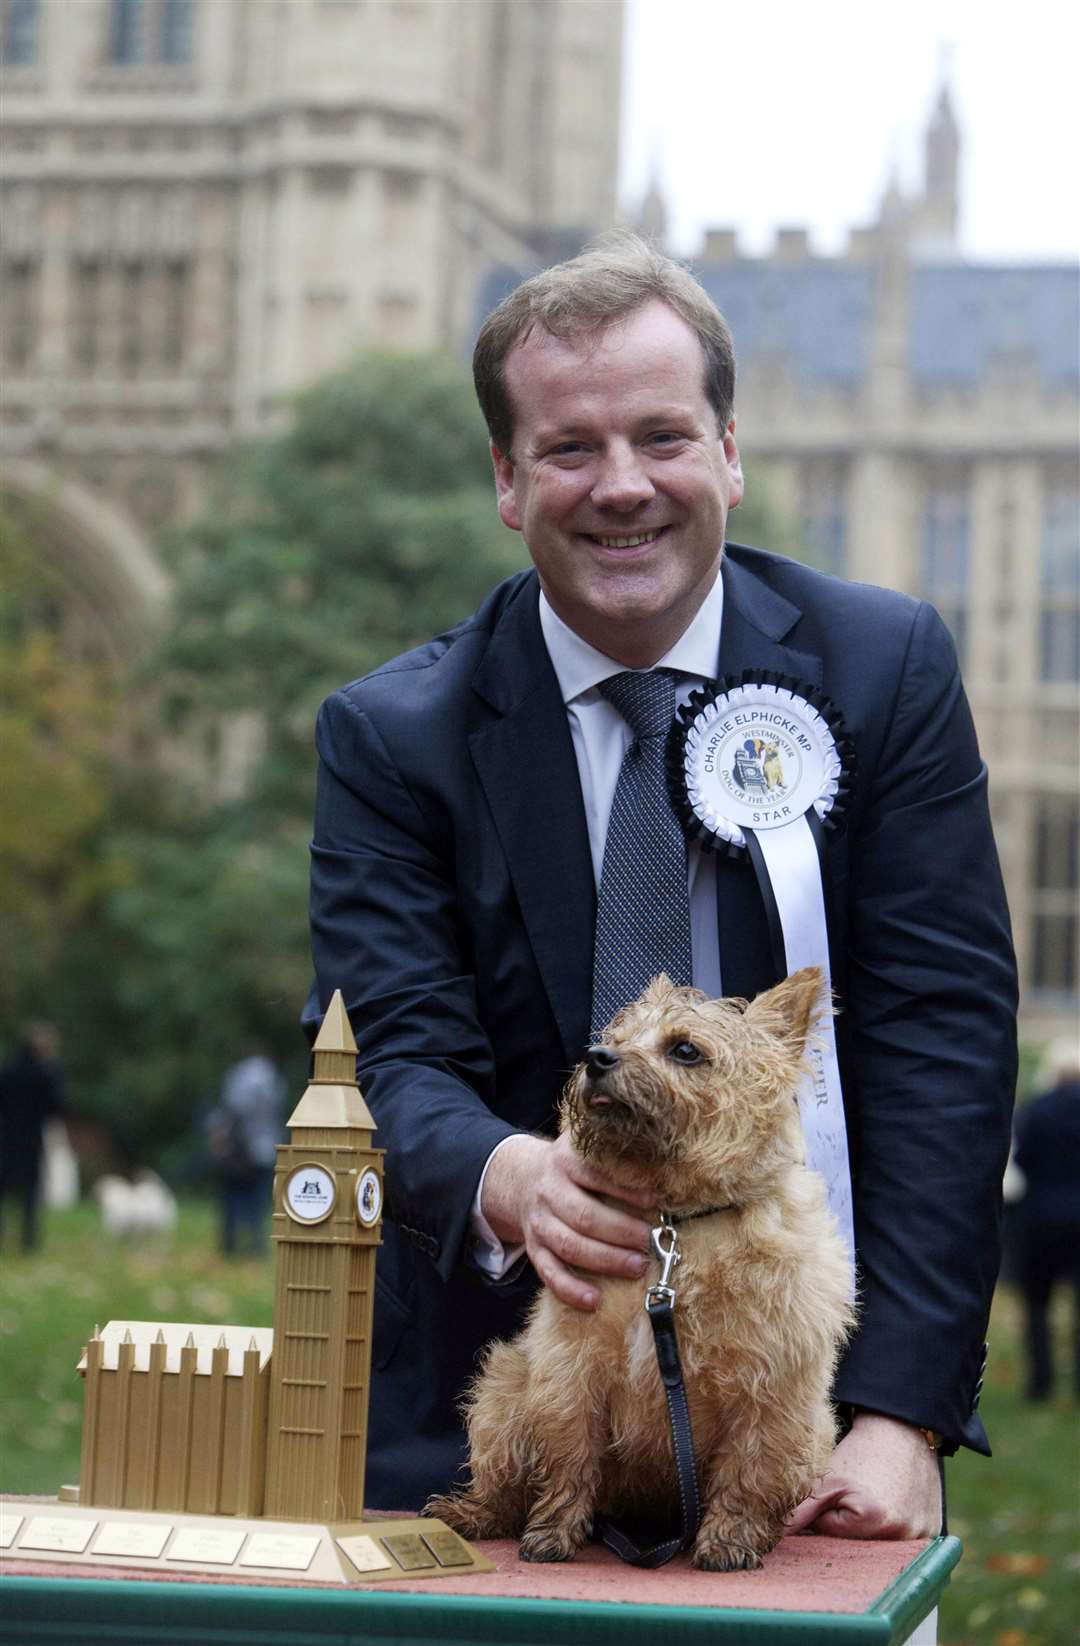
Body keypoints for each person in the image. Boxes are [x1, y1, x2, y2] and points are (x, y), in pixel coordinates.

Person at [304, 235, 1017, 1537]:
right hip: (502, 1429)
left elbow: (942, 1053)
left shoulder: (887, 671)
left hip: (798, 1440)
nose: (622, 485)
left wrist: (900, 1418)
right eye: (571, 448)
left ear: (730, 452)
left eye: (662, 436)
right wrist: (505, 1172)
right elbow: (383, 1052)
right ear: (509, 482)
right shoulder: (387, 735)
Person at [1013, 1041, 1080, 1402]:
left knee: (1037, 1303)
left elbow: (1021, 1160)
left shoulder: (1037, 1110)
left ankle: (1041, 1383)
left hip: (1040, 1217)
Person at [207, 1048, 286, 1256]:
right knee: (258, 1202)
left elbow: (231, 1111)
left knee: (233, 1200)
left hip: (240, 1152)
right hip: (265, 1150)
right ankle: (256, 1246)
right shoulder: (273, 1080)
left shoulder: (240, 1077)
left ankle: (230, 1245)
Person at [0, 1021, 65, 1252]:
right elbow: (56, 1106)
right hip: (31, 1137)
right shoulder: (45, 1072)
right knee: (30, 1191)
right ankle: (28, 1241)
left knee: (4, 1189)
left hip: (6, 1135)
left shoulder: (9, 1068)